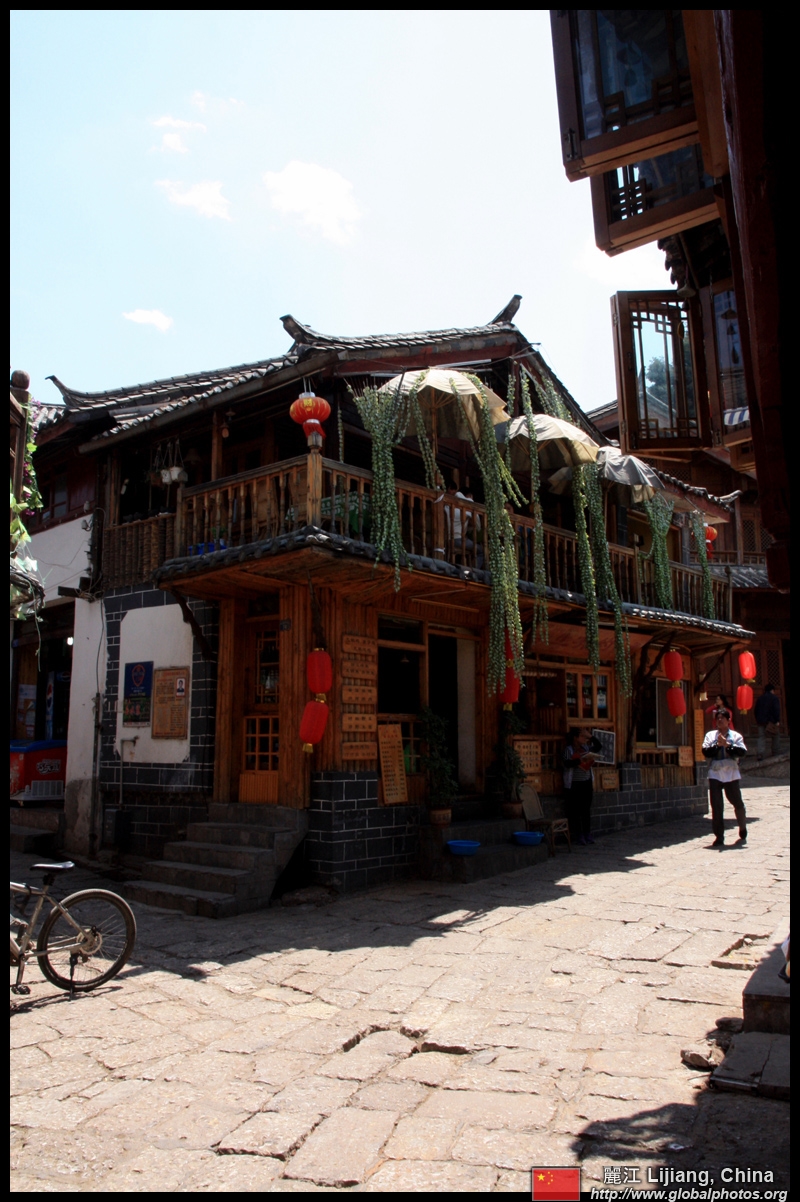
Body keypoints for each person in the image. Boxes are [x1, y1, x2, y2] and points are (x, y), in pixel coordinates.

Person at [702, 709, 747, 848]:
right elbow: (706, 751)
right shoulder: (711, 735)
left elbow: (742, 752)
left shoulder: (736, 736)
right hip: (715, 772)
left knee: (736, 801)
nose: (720, 720)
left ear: (728, 720)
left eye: (722, 718)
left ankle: (742, 826)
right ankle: (719, 836)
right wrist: (717, 745)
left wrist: (727, 745)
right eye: (718, 718)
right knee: (716, 805)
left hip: (731, 771)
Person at [563, 727, 602, 845]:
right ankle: (579, 835)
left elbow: (599, 746)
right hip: (575, 784)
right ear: (575, 738)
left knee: (586, 809)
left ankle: (587, 833)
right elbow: (567, 763)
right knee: (576, 811)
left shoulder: (586, 748)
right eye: (582, 736)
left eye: (586, 737)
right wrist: (580, 760)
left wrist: (591, 737)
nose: (585, 739)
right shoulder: (569, 749)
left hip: (586, 782)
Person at [754, 683, 781, 761]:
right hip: (771, 721)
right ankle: (775, 751)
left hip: (761, 721)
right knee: (775, 735)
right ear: (772, 690)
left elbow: (756, 710)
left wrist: (758, 719)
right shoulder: (774, 698)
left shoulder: (760, 698)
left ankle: (760, 753)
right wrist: (777, 720)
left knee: (761, 737)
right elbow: (776, 710)